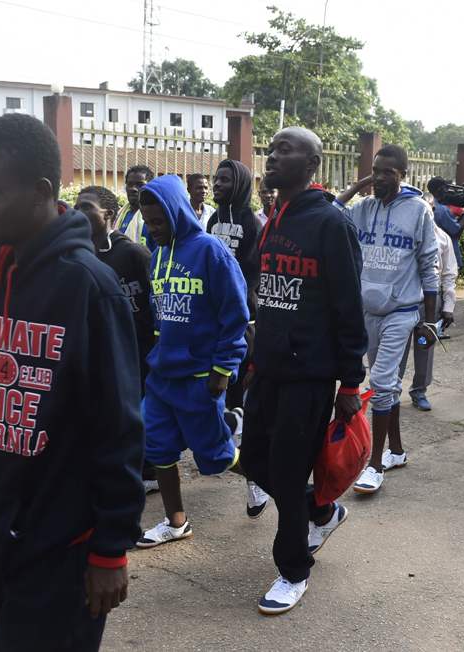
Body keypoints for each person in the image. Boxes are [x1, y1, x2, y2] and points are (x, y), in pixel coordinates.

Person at [0, 113, 145, 651]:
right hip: (5, 537)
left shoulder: (88, 287)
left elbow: (120, 427)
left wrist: (109, 550)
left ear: (40, 191)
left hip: (64, 549)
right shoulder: (2, 271)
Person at [240, 126, 366, 615]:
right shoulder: (276, 217)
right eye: (270, 149)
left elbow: (347, 307)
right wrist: (255, 358)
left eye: (284, 150)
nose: (272, 156)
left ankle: (293, 569)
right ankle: (322, 510)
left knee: (289, 473)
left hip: (310, 375)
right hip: (269, 368)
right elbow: (269, 299)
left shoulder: (331, 223)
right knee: (253, 459)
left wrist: (350, 382)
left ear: (312, 163)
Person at [135, 175, 249, 549]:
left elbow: (235, 314)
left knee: (215, 457)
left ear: (177, 212)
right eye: (149, 223)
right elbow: (159, 317)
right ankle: (175, 521)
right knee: (158, 447)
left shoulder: (209, 251)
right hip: (162, 378)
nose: (153, 229)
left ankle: (265, 477)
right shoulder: (157, 256)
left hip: (200, 378)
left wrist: (222, 370)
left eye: (159, 222)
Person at [335, 145, 439, 495]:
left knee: (379, 382)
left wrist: (431, 319)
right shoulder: (363, 209)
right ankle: (396, 450)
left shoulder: (419, 211)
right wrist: (359, 185)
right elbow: (333, 213)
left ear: (403, 175)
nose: (380, 177)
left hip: (403, 310)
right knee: (388, 383)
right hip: (367, 310)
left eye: (387, 172)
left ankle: (374, 465)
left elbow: (429, 264)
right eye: (375, 171)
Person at [75, 185, 159, 494]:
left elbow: (157, 300)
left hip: (141, 350)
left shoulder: (133, 253)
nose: (77, 214)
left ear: (108, 215)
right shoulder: (82, 255)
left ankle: (148, 470)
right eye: (76, 207)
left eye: (86, 208)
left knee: (138, 413)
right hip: (104, 350)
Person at [207, 159, 270, 518]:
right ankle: (245, 466)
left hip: (241, 321)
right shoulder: (214, 221)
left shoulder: (252, 223)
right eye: (216, 178)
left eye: (225, 179)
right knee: (224, 405)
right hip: (213, 322)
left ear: (241, 184)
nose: (217, 184)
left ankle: (256, 483)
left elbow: (255, 276)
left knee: (237, 402)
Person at [397, 219, 458, 410]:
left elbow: (449, 273)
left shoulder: (442, 238)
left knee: (424, 346)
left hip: (429, 306)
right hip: (403, 301)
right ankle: (392, 390)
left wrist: (448, 306)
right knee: (398, 348)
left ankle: (419, 390)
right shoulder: (404, 233)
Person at [428, 176, 464, 272]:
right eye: (446, 188)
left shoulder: (431, 205)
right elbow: (456, 231)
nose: (447, 190)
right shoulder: (442, 210)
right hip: (447, 257)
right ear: (440, 189)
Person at [119, 165, 154, 250]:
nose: (133, 189)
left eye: (140, 185)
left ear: (150, 187)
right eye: (129, 184)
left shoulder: (155, 217)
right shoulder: (118, 215)